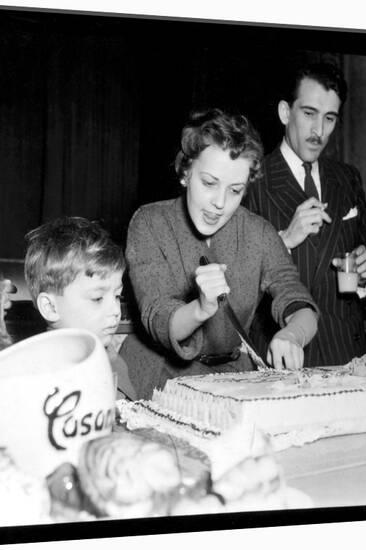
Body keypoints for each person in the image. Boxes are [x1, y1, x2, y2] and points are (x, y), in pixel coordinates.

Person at [119, 108, 319, 400]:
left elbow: (298, 300)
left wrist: (292, 335)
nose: (220, 203)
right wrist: (200, 309)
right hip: (154, 381)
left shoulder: (259, 233)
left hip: (231, 383)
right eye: (210, 183)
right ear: (186, 172)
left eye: (236, 190)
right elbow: (158, 315)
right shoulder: (149, 222)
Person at [244, 62, 366, 367]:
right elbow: (234, 286)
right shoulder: (250, 183)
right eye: (309, 114)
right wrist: (285, 240)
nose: (319, 131)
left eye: (329, 118)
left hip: (346, 356)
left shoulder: (348, 178)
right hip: (284, 362)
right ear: (285, 113)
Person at [24, 216, 137, 401]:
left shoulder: (113, 360)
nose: (116, 310)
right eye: (97, 298)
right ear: (50, 307)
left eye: (117, 296)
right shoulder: (41, 375)